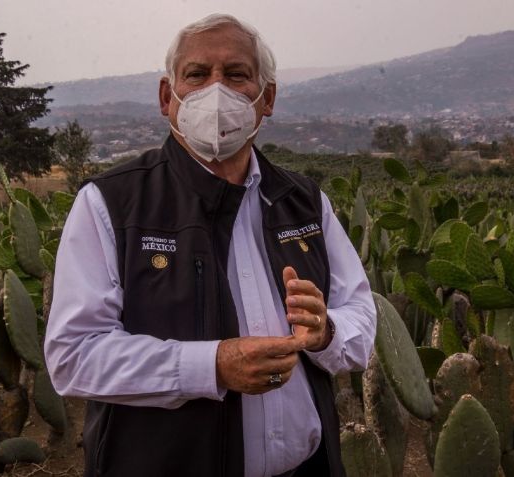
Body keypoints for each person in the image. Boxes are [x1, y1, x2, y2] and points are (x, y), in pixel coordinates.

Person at [44, 13, 376, 477]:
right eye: (197, 74)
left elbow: (361, 316)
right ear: (168, 96)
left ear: (267, 98)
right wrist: (212, 366)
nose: (215, 90)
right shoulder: (110, 204)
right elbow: (74, 356)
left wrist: (326, 333)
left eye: (237, 74)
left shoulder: (303, 202)